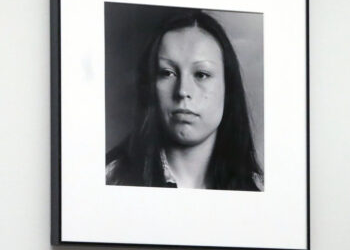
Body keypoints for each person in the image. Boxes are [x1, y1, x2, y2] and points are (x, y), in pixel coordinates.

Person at [106, 10, 263, 191]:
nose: (182, 91)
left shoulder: (258, 189)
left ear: (228, 88)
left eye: (201, 74)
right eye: (167, 73)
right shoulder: (112, 180)